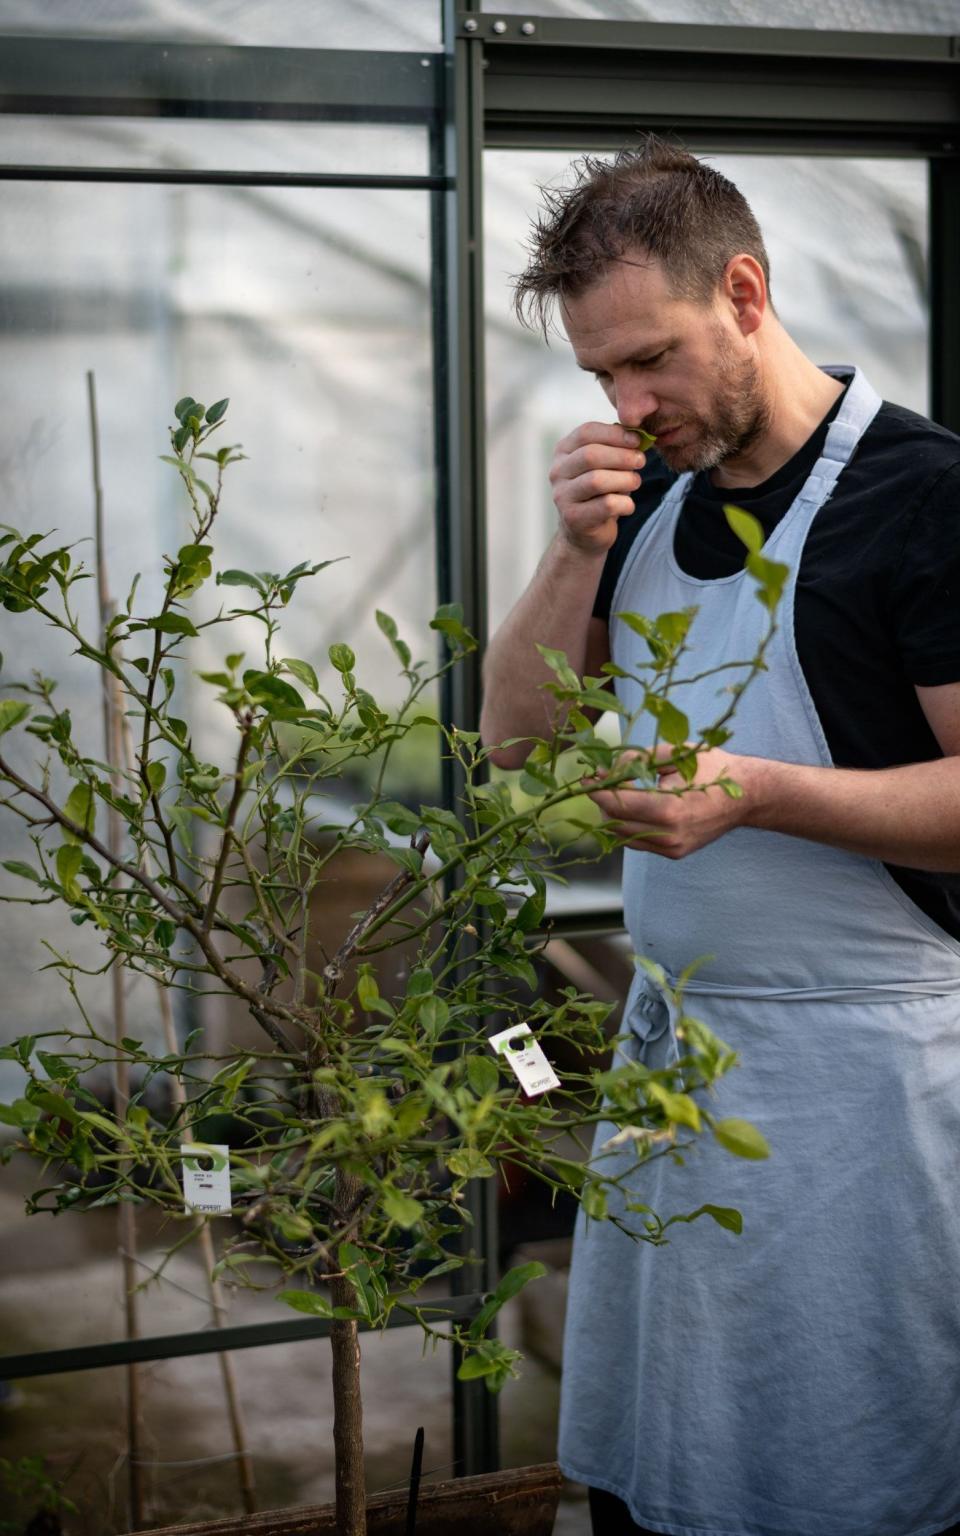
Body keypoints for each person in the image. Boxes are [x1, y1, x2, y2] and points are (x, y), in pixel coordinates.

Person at [479, 138, 960, 1536]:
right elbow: (515, 746)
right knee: (678, 1458)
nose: (629, 404)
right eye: (598, 378)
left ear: (744, 293)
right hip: (679, 1065)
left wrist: (752, 791)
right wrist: (573, 548)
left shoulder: (923, 498)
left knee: (857, 1463)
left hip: (870, 1087)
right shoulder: (645, 499)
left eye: (651, 360)